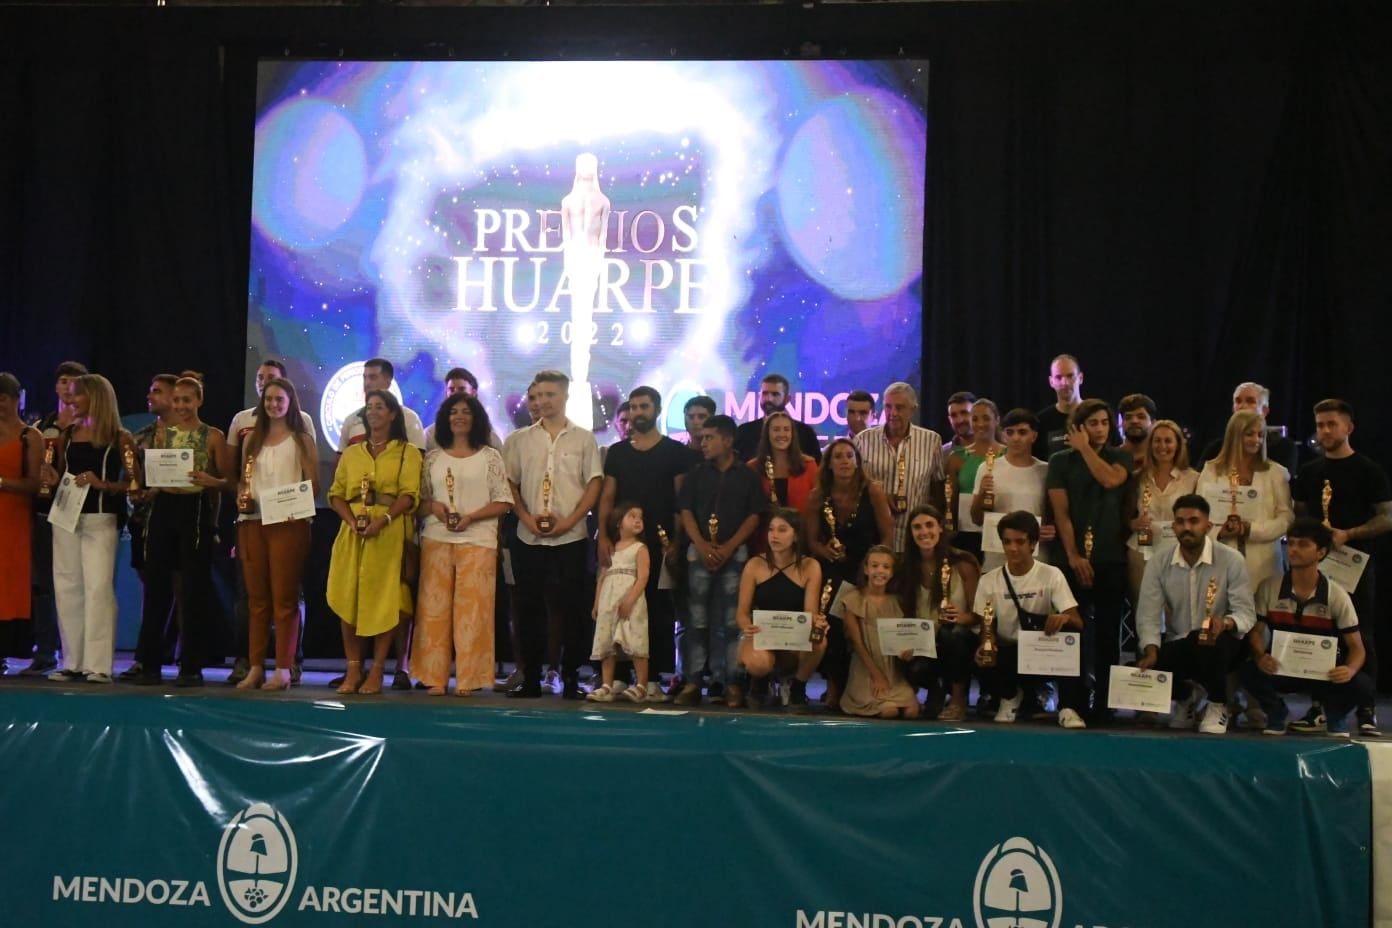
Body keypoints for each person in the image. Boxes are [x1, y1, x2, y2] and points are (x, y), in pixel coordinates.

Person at [1292, 398, 1391, 736]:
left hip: (1356, 565)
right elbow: (1300, 515)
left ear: (1348, 427)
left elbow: (1387, 517)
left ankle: (1366, 709)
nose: (1324, 431)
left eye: (1331, 424)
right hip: (1316, 569)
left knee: (1359, 633)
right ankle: (1321, 704)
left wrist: (1349, 533)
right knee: (1319, 632)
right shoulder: (1309, 472)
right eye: (1319, 425)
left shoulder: (1368, 470)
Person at [503, 370, 603, 699]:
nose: (544, 401)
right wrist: (525, 517)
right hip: (528, 536)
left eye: (551, 395)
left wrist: (573, 519)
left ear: (564, 397)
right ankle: (531, 677)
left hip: (570, 537)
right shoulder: (518, 440)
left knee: (573, 610)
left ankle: (572, 676)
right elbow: (511, 485)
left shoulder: (584, 438)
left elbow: (594, 483)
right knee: (529, 610)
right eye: (538, 396)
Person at [597, 386, 700, 700]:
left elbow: (682, 502)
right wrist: (602, 535)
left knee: (655, 611)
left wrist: (677, 543)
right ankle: (618, 677)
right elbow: (607, 497)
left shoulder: (675, 453)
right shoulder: (616, 453)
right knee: (617, 606)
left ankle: (651, 678)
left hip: (660, 545)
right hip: (621, 546)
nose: (639, 412)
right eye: (635, 407)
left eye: (645, 406)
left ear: (656, 410)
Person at [39, 374, 139, 684]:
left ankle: (98, 664)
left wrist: (103, 484)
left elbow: (134, 484)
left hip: (100, 517)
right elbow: (62, 474)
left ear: (94, 397)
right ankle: (72, 661)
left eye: (76, 395)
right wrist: (54, 479)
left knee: (97, 588)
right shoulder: (68, 434)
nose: (70, 401)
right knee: (67, 586)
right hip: (68, 514)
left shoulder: (120, 437)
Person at [224, 359, 318, 685]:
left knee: (284, 599)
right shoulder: (252, 439)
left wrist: (293, 504)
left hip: (289, 525)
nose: (273, 404)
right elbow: (242, 480)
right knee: (256, 600)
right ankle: (254, 667)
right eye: (268, 399)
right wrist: (242, 496)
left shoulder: (301, 438)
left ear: (290, 403)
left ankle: (282, 668)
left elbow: (313, 486)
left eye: (279, 399)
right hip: (252, 523)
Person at [413, 393, 512, 696]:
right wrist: (434, 509)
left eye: (466, 412)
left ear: (476, 418)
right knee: (433, 610)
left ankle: (469, 678)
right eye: (453, 411)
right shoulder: (433, 457)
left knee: (474, 612)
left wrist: (471, 517)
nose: (459, 416)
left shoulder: (490, 456)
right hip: (437, 538)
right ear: (445, 418)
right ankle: (434, 677)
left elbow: (504, 501)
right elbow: (420, 502)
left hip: (478, 540)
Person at [134, 374, 228, 687]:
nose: (182, 406)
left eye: (187, 400)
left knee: (192, 591)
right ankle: (150, 664)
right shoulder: (163, 435)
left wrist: (209, 481)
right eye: (177, 400)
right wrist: (148, 490)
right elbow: (156, 478)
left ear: (199, 401)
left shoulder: (213, 436)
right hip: (164, 510)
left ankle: (191, 666)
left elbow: (229, 481)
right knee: (156, 588)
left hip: (196, 509)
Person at [326, 389, 422, 695]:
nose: (373, 412)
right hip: (353, 531)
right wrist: (352, 521)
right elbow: (336, 494)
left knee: (385, 600)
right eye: (369, 407)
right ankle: (353, 668)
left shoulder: (407, 452)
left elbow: (409, 495)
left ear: (393, 414)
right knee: (348, 598)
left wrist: (383, 520)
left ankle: (378, 669)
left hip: (389, 532)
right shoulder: (353, 453)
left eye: (380, 407)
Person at [1135, 495, 1257, 734]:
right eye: (1180, 521)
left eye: (1194, 521)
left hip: (1222, 643)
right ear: (1173, 526)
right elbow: (1148, 614)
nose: (1187, 527)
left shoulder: (1231, 559)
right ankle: (1187, 698)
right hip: (1180, 640)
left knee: (1214, 644)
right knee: (1137, 668)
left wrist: (1226, 623)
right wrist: (1150, 649)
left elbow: (1246, 613)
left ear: (1208, 526)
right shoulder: (1159, 561)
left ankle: (1218, 704)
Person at [1241, 518, 1374, 736]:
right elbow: (1255, 633)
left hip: (1325, 672)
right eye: (1291, 543)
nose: (1293, 549)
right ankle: (1276, 712)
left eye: (1303, 544)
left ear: (1321, 552)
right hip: (1282, 668)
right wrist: (1259, 656)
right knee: (1247, 669)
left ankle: (1335, 714)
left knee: (1362, 684)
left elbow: (1357, 648)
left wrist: (1348, 670)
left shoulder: (1337, 595)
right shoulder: (1269, 587)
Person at [674, 415, 768, 705]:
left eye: (709, 438)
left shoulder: (747, 475)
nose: (703, 443)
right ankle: (692, 682)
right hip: (698, 552)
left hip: (735, 553)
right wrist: (701, 545)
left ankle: (732, 683)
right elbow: (686, 510)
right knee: (697, 621)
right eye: (701, 438)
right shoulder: (697, 473)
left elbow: (755, 515)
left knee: (730, 622)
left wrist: (729, 547)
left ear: (728, 440)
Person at [1046, 398, 1131, 717]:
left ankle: (1106, 703)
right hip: (1070, 557)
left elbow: (1110, 480)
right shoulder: (1059, 461)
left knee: (1109, 632)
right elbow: (1062, 513)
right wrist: (1074, 556)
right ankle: (1072, 700)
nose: (1099, 429)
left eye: (1104, 423)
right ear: (1078, 427)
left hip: (1110, 555)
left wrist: (1086, 450)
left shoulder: (1120, 457)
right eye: (1092, 423)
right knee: (1073, 628)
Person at [973, 510, 1087, 728]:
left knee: (1072, 637)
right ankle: (1008, 696)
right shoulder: (988, 581)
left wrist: (1062, 618)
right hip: (1009, 653)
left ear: (1033, 544)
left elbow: (1078, 622)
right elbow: (985, 628)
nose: (1013, 548)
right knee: (982, 651)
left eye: (1020, 542)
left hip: (1041, 652)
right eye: (1007, 542)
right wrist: (984, 646)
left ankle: (1068, 707)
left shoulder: (1051, 574)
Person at [805, 438, 895, 705]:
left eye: (849, 456)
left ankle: (868, 683)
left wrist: (877, 568)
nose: (845, 461)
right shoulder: (817, 495)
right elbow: (811, 540)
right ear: (829, 464)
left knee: (862, 627)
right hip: (832, 570)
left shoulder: (873, 491)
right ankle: (834, 685)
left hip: (866, 570)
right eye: (838, 457)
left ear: (857, 461)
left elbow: (888, 534)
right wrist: (825, 552)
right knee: (832, 626)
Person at [17, 361, 84, 677]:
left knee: (74, 583)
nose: (67, 388)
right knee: (42, 583)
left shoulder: (88, 427)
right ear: (56, 386)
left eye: (74, 382)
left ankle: (78, 652)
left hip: (78, 512)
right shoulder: (42, 426)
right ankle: (46, 649)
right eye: (62, 382)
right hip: (44, 511)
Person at [117, 373, 179, 682]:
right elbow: (134, 476)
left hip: (179, 521)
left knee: (175, 591)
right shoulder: (139, 437)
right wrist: (137, 488)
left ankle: (171, 655)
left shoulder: (187, 436)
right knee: (152, 592)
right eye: (149, 390)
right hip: (144, 522)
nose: (150, 396)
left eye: (157, 391)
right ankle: (147, 658)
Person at [736, 508, 829, 709]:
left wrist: (817, 623)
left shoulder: (810, 566)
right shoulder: (754, 565)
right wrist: (747, 626)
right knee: (759, 662)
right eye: (771, 530)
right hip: (761, 635)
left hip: (792, 637)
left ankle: (798, 686)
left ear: (795, 535)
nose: (774, 535)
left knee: (819, 641)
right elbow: (742, 613)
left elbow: (810, 612)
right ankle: (759, 682)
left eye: (782, 530)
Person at [1197, 409, 1293, 596]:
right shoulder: (1211, 470)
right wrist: (1219, 532)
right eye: (1249, 434)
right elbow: (1200, 514)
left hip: (1264, 563)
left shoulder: (1276, 472)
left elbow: (1286, 518)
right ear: (1234, 435)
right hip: (1220, 558)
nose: (1256, 440)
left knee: (1260, 622)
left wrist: (1250, 529)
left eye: (1260, 435)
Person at [898, 505, 980, 720]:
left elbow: (979, 614)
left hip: (958, 638)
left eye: (929, 525)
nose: (924, 532)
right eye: (917, 527)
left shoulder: (963, 563)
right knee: (914, 668)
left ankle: (958, 700)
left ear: (941, 528)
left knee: (951, 635)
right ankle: (935, 690)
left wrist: (962, 617)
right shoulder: (906, 567)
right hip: (924, 641)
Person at [854, 381, 943, 551]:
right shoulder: (862, 440)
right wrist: (878, 494)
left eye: (900, 407)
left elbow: (938, 488)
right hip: (872, 535)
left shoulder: (932, 441)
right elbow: (852, 485)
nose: (892, 413)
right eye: (888, 407)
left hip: (916, 538)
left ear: (913, 409)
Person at [840, 546, 920, 719]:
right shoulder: (853, 599)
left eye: (886, 567)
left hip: (892, 670)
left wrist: (907, 651)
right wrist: (876, 675)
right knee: (889, 711)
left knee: (912, 711)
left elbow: (901, 637)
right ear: (866, 569)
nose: (880, 571)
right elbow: (857, 644)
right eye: (875, 566)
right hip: (866, 669)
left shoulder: (896, 601)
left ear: (892, 573)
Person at [971, 408, 1053, 573]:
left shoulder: (1046, 471)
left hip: (1037, 561)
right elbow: (976, 518)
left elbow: (1055, 515)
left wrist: (1050, 530)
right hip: (997, 560)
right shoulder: (987, 468)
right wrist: (981, 494)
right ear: (1003, 435)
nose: (1016, 438)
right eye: (1010, 432)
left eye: (1022, 432)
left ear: (1034, 436)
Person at [1125, 419, 1199, 600]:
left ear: (1178, 444)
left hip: (1180, 551)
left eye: (1168, 441)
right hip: (1142, 552)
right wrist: (1133, 523)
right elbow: (1124, 514)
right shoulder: (1137, 478)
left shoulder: (1194, 478)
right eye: (1157, 441)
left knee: (1179, 611)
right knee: (1144, 611)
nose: (1162, 446)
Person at [587, 501, 652, 702]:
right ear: (618, 523)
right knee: (607, 642)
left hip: (630, 600)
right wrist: (597, 602)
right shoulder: (611, 549)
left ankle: (641, 685)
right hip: (609, 601)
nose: (637, 520)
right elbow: (602, 576)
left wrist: (630, 600)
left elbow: (643, 577)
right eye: (631, 516)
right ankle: (607, 684)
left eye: (640, 517)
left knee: (636, 640)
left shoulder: (640, 548)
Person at [0, 374, 42, 674]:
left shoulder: (30, 436)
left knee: (10, 584)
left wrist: (2, 483)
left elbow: (34, 483)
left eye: (3, 397)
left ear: (17, 400)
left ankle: (7, 650)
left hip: (13, 517)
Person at [946, 397, 1004, 563]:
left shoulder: (1008, 455)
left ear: (997, 420)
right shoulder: (956, 458)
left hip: (999, 531)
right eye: (975, 419)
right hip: (967, 534)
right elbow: (951, 500)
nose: (980, 424)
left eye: (986, 418)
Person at [1197, 382, 1300, 475]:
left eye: (1250, 401)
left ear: (1264, 411)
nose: (1242, 406)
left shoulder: (1283, 448)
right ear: (1233, 409)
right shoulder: (1216, 448)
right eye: (1238, 401)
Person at [733, 373, 822, 464]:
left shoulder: (805, 433)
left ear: (787, 399)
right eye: (765, 393)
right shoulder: (744, 432)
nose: (769, 399)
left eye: (775, 394)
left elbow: (817, 470)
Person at [340, 358, 428, 449]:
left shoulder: (410, 419)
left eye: (373, 377)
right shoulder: (350, 421)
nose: (367, 383)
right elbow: (341, 460)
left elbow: (418, 459)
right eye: (365, 378)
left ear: (388, 382)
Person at [750, 411, 819, 511]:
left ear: (792, 434)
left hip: (801, 525)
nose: (782, 434)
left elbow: (817, 506)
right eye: (776, 429)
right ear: (767, 433)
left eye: (786, 429)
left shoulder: (809, 465)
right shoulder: (752, 467)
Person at [424, 367, 502, 451]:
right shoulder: (430, 434)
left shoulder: (489, 435)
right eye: (451, 389)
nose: (455, 394)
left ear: (473, 393)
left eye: (461, 389)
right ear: (446, 393)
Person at [1034, 354, 1083, 462]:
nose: (1064, 383)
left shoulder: (1097, 415)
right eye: (1058, 377)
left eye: (1070, 376)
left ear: (1080, 378)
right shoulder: (1041, 421)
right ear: (1051, 382)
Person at [1117, 393, 1157, 472]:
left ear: (1153, 423)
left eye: (1141, 417)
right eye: (1128, 417)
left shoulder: (1162, 458)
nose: (1134, 421)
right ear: (1121, 423)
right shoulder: (1111, 458)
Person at [941, 391, 976, 456]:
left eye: (964, 413)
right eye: (953, 415)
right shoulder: (943, 454)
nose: (960, 420)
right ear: (949, 419)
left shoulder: (994, 449)